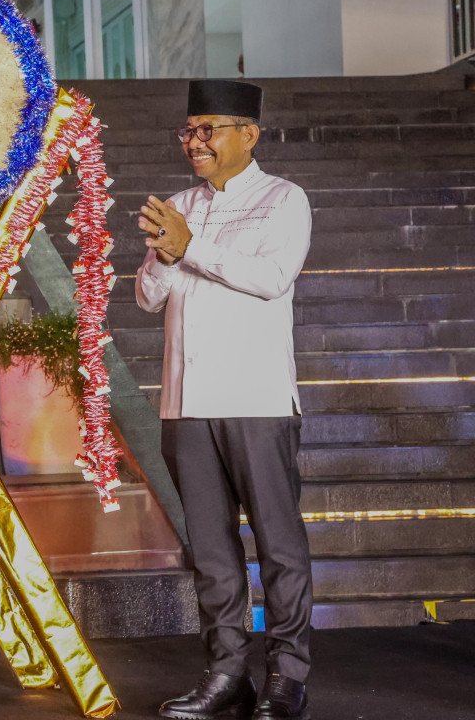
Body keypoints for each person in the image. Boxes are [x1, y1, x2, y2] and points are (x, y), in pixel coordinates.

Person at [135, 79, 313, 720]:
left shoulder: (283, 200)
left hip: (257, 400)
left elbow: (271, 279)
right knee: (211, 551)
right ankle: (226, 673)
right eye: (188, 131)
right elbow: (148, 297)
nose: (195, 142)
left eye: (208, 129)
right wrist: (159, 256)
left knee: (279, 545)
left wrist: (190, 247)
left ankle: (287, 677)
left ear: (250, 134)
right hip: (185, 403)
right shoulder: (181, 202)